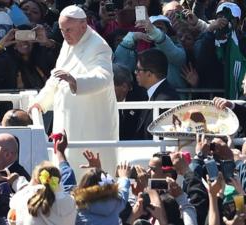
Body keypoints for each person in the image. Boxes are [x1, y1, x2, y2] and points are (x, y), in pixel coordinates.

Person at [29, 4, 119, 145]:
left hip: (89, 123)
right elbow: (57, 77)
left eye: (69, 30)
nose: (64, 34)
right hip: (67, 120)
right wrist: (40, 103)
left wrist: (75, 81)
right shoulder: (69, 41)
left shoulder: (99, 45)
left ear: (83, 25)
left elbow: (104, 77)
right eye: (62, 30)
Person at [9, 161, 77, 225]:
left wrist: (17, 181)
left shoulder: (25, 197)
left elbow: (13, 209)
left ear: (35, 180)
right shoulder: (71, 201)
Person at [134, 49, 179, 139]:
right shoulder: (149, 94)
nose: (135, 73)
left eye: (138, 70)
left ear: (149, 74)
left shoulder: (166, 101)